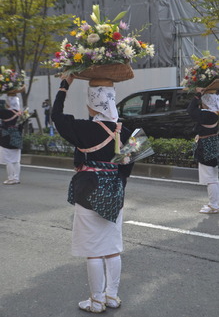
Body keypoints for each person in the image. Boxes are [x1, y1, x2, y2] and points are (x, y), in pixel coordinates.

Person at [51, 74, 133, 313]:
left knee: (93, 250)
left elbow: (56, 115)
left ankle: (96, 301)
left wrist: (64, 85)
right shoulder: (125, 131)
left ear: (91, 104)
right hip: (115, 191)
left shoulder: (82, 128)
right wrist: (115, 190)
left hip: (88, 189)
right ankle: (112, 297)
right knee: (112, 247)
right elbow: (128, 167)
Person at [187, 88, 219, 214]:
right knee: (215, 177)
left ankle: (213, 205)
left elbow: (190, 110)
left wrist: (198, 94)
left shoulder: (206, 115)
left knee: (210, 178)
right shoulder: (215, 113)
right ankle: (215, 203)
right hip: (215, 144)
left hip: (206, 147)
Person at [0, 92, 23, 184]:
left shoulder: (5, 112)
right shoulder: (21, 113)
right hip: (17, 137)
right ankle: (16, 178)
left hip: (6, 137)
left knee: (8, 159)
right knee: (16, 160)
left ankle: (11, 178)